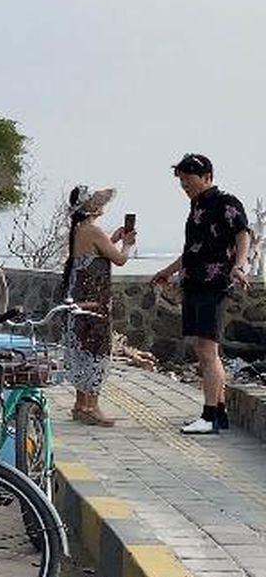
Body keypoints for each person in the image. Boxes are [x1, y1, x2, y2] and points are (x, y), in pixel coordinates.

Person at [151, 154, 251, 435]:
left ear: (206, 176)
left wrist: (238, 266)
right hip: (192, 283)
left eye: (188, 180)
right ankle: (218, 412)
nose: (184, 185)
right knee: (203, 348)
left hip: (214, 283)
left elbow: (243, 234)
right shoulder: (196, 207)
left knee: (208, 350)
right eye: (181, 181)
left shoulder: (226, 202)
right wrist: (167, 271)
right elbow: (191, 250)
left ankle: (208, 416)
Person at [60, 185, 136, 427]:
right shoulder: (92, 230)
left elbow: (95, 254)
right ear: (91, 207)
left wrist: (112, 239)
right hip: (94, 302)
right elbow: (120, 259)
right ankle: (91, 407)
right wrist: (127, 243)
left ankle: (80, 404)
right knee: (96, 350)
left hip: (77, 298)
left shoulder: (79, 230)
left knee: (81, 349)